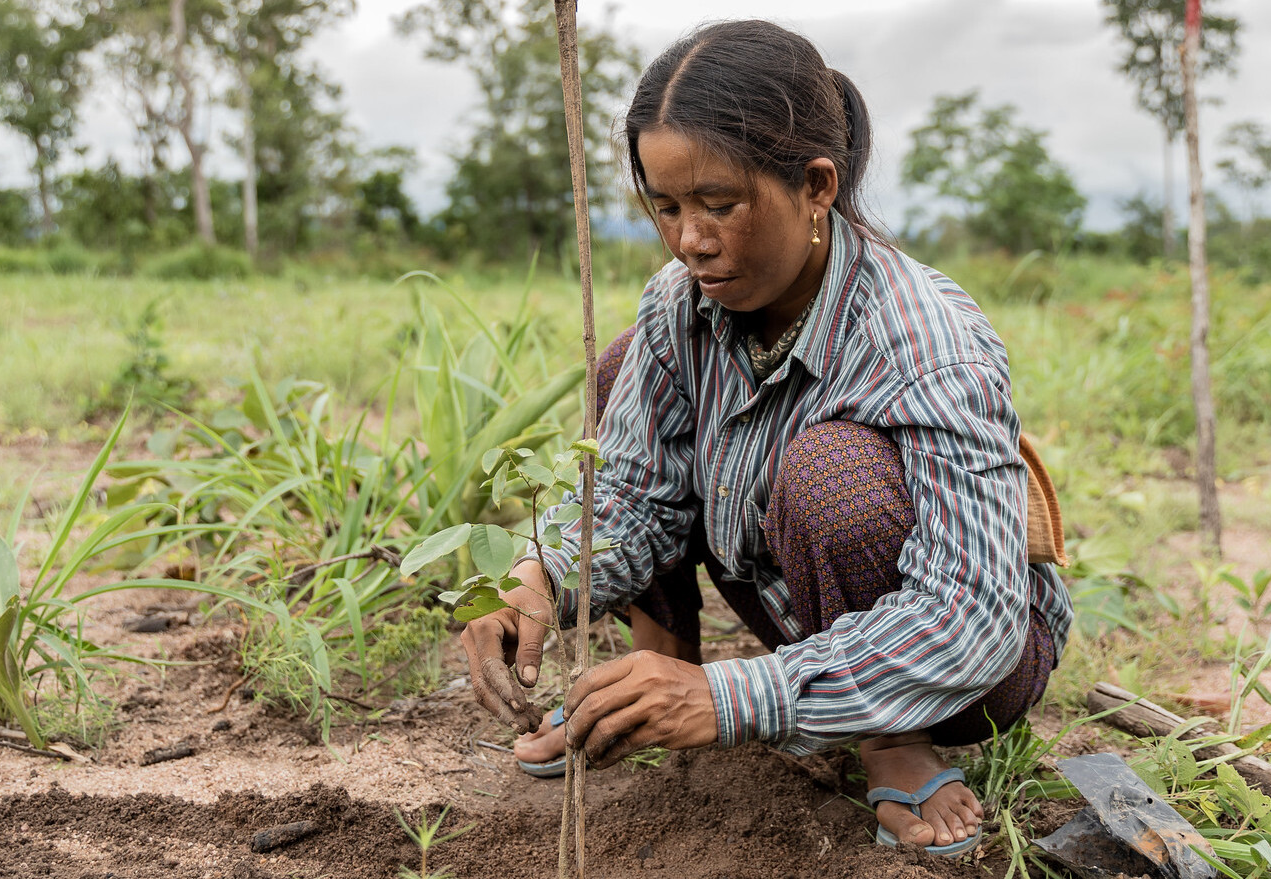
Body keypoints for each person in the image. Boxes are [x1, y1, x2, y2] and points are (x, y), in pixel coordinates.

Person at [457, 20, 1071, 856]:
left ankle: (891, 741)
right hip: (795, 612)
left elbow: (973, 615)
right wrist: (539, 575)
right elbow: (639, 490)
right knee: (622, 364)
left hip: (966, 667)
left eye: (718, 204)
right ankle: (643, 676)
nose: (688, 240)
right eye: (664, 207)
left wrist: (734, 697)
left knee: (833, 473)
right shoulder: (679, 306)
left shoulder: (923, 336)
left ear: (815, 185)